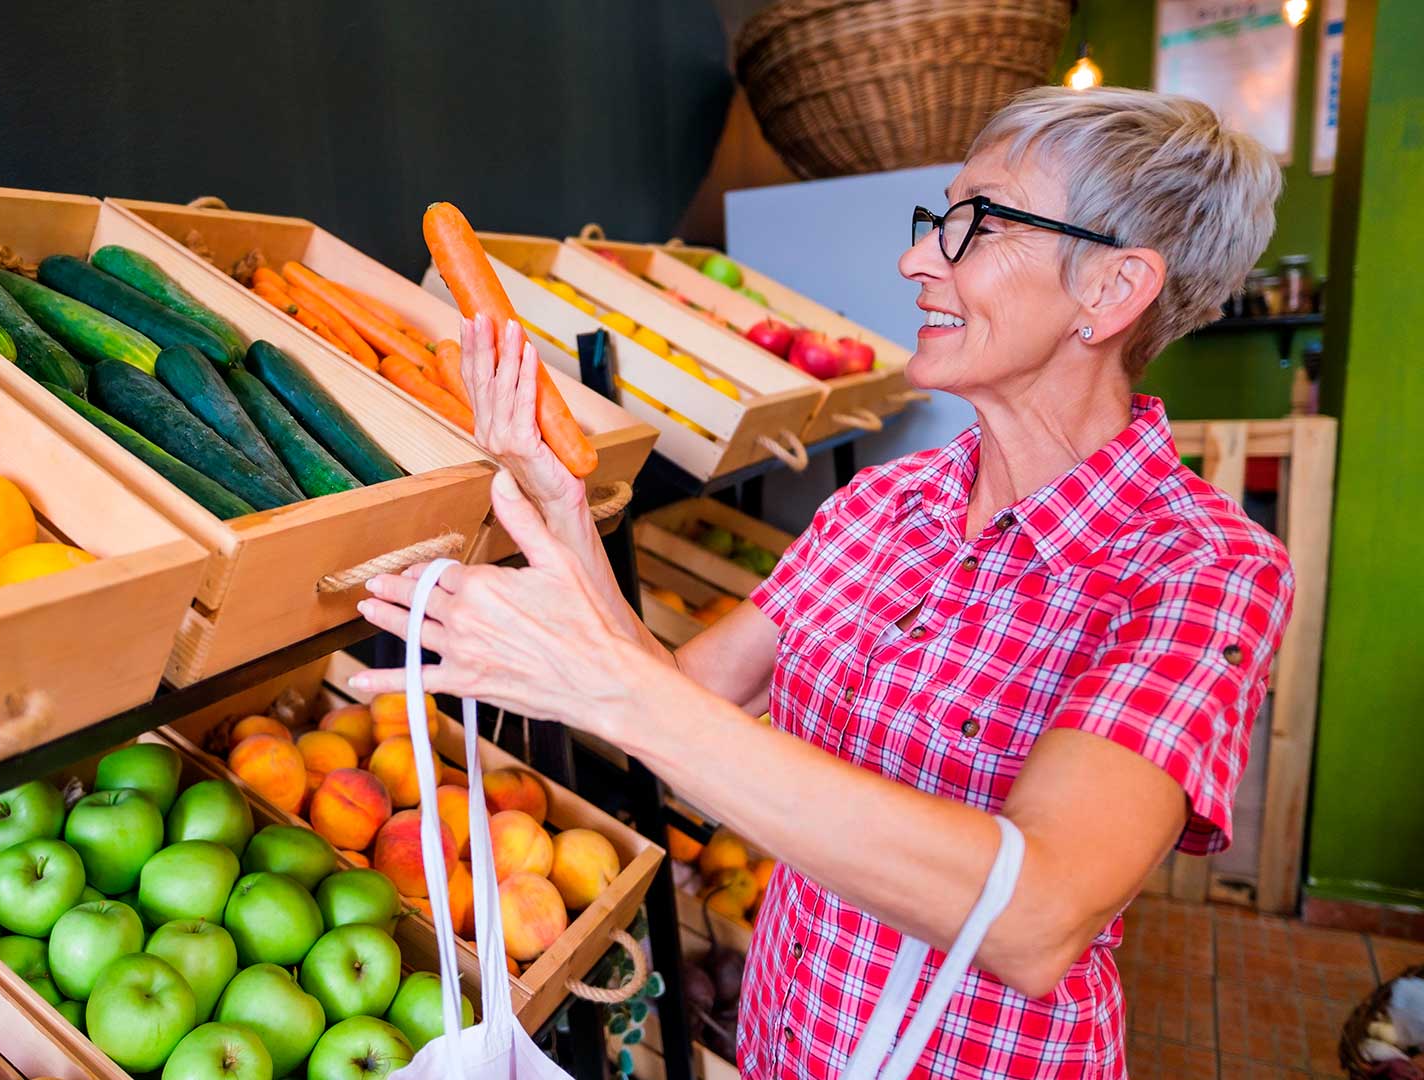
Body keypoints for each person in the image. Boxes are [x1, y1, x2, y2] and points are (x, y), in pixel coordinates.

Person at [351, 87, 1293, 1078]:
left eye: (975, 224)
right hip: (787, 1039)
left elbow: (1035, 915)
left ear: (1111, 289)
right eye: (937, 219)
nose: (916, 259)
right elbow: (687, 695)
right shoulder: (887, 505)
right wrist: (558, 501)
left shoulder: (1200, 569)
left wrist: (616, 691)